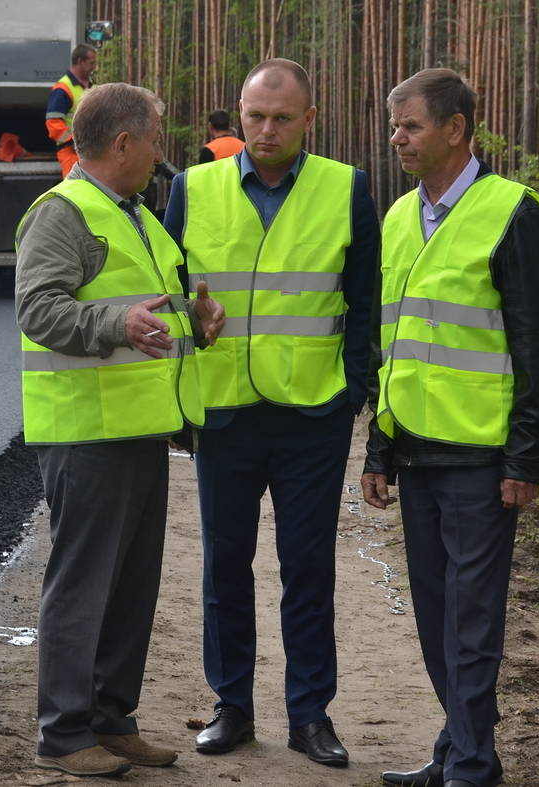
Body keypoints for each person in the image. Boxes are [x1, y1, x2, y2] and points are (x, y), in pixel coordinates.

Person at [161, 58, 377, 768]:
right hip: (224, 413)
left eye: (283, 117)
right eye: (255, 115)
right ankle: (233, 707)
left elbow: (364, 302)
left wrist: (352, 391)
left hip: (312, 415)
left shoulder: (346, 188)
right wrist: (178, 393)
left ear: (309, 120)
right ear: (239, 113)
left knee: (306, 568)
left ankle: (310, 714)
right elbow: (166, 294)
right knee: (226, 565)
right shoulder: (194, 190)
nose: (266, 129)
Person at [361, 68, 539, 787]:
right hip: (415, 452)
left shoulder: (514, 211)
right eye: (394, 125)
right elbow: (394, 344)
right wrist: (379, 447)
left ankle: (471, 764)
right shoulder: (395, 219)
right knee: (435, 614)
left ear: (456, 128)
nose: (397, 138)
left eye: (410, 125)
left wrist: (526, 455)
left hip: (484, 458)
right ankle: (458, 746)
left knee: (472, 621)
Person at [15, 82, 226, 778]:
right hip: (84, 432)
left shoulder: (134, 213)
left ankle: (111, 719)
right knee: (82, 585)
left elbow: (148, 312)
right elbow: (39, 310)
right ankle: (64, 734)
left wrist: (195, 325)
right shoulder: (64, 214)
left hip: (139, 430)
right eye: (157, 136)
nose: (162, 148)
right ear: (124, 143)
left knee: (131, 585)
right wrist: (117, 324)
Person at [46, 45, 98, 177]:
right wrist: (73, 142)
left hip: (91, 152)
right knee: (75, 191)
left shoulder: (92, 86)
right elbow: (53, 122)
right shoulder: (63, 89)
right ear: (80, 61)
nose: (94, 67)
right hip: (71, 153)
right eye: (92, 63)